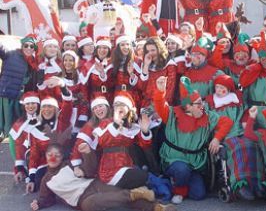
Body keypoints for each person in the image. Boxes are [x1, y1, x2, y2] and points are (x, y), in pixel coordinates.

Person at [152, 76, 233, 204]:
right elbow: (160, 105)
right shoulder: (172, 114)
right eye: (199, 103)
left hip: (194, 164)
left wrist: (217, 139)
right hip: (173, 160)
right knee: (182, 170)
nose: (203, 106)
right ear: (188, 106)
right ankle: (179, 189)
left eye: (202, 102)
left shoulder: (206, 116)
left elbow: (226, 122)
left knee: (198, 194)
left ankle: (172, 181)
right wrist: (160, 91)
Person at [30, 143, 177, 211]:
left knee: (118, 198)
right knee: (90, 205)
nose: (53, 157)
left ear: (62, 157)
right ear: (46, 157)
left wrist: (87, 153)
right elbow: (45, 198)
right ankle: (134, 193)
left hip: (94, 184)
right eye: (50, 154)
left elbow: (89, 168)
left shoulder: (69, 164)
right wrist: (38, 203)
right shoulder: (46, 180)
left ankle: (158, 207)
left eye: (57, 154)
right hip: (82, 200)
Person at [206, 74, 264, 200]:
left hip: (241, 132)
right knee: (239, 147)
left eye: (223, 88)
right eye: (217, 87)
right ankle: (241, 185)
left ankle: (256, 185)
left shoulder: (237, 101)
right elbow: (210, 123)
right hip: (225, 136)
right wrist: (215, 138)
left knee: (252, 145)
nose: (219, 91)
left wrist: (246, 122)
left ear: (229, 90)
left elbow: (244, 114)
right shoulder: (211, 103)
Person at [92, 91, 153, 188]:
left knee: (148, 177)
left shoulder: (133, 127)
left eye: (121, 105)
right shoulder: (107, 123)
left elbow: (145, 145)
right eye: (116, 105)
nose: (118, 107)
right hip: (111, 169)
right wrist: (115, 125)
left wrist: (145, 131)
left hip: (128, 164)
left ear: (129, 109)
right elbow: (102, 141)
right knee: (144, 177)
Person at [27, 77, 73, 193]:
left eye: (50, 107)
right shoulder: (35, 129)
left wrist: (62, 86)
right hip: (45, 164)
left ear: (56, 110)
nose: (47, 110)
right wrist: (31, 178)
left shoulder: (62, 122)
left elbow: (68, 103)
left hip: (63, 162)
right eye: (44, 107)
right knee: (38, 183)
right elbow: (34, 155)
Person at [0, 34, 38, 140]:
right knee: (8, 126)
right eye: (26, 45)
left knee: (19, 125)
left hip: (21, 98)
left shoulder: (34, 63)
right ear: (22, 46)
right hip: (8, 94)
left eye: (31, 46)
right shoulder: (11, 54)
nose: (28, 48)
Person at [9, 92, 40, 183]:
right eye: (27, 104)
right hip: (29, 158)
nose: (30, 106)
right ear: (24, 105)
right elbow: (18, 149)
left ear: (38, 104)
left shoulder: (45, 119)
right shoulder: (19, 124)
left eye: (33, 103)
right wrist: (19, 169)